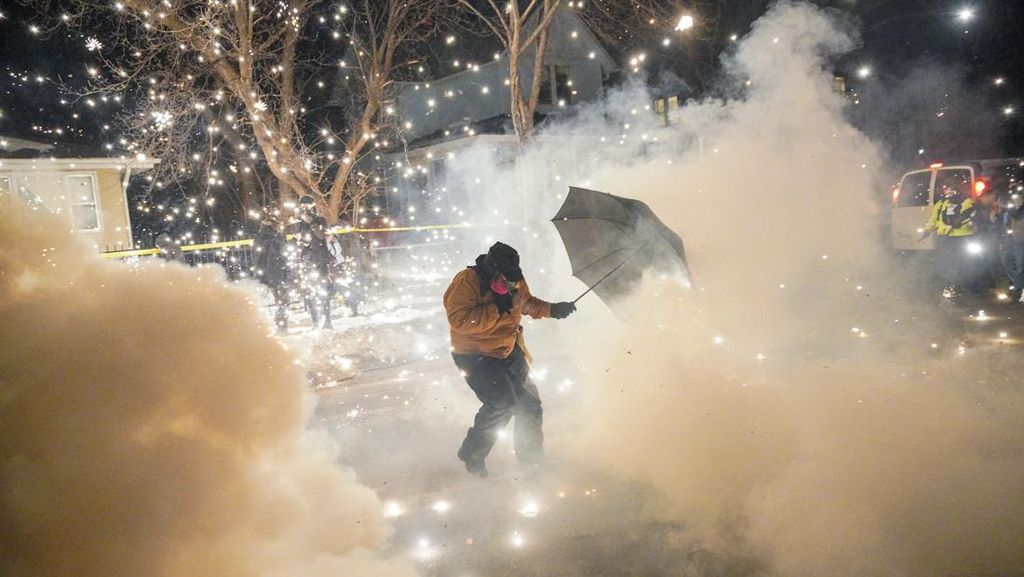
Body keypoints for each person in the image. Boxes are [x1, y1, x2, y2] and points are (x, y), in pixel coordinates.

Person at [443, 242, 577, 478]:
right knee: (501, 403)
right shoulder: (466, 281)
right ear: (492, 269)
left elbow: (525, 303)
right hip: (475, 355)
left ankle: (531, 462)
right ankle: (472, 454)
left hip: (508, 349)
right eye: (507, 280)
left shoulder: (514, 279)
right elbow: (460, 321)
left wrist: (553, 309)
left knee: (529, 405)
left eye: (515, 279)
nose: (513, 284)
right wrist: (497, 309)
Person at [923, 184, 977, 296]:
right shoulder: (941, 203)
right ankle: (949, 285)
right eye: (947, 190)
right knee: (946, 263)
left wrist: (960, 223)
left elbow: (972, 216)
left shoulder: (967, 202)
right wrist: (927, 230)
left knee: (964, 263)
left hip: (962, 238)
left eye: (951, 190)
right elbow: (933, 219)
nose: (948, 192)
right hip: (945, 238)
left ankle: (964, 287)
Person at [290, 195, 335, 329]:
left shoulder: (320, 220)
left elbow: (321, 236)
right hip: (307, 261)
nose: (304, 207)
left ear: (312, 205)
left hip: (320, 260)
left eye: (307, 204)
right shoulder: (299, 223)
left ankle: (327, 321)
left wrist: (312, 223)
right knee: (310, 293)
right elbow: (297, 240)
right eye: (302, 204)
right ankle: (316, 322)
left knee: (323, 291)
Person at [253, 213, 292, 332]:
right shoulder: (277, 237)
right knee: (283, 300)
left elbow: (256, 256)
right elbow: (284, 254)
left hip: (265, 274)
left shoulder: (259, 238)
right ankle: (281, 324)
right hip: (279, 272)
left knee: (269, 300)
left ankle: (261, 326)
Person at [999, 188, 1024, 302]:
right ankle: (1018, 285)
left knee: (1020, 266)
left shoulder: (1016, 209)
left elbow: (1017, 214)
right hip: (1013, 239)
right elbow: (1005, 222)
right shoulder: (1010, 208)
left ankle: (1017, 291)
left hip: (1020, 240)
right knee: (1007, 263)